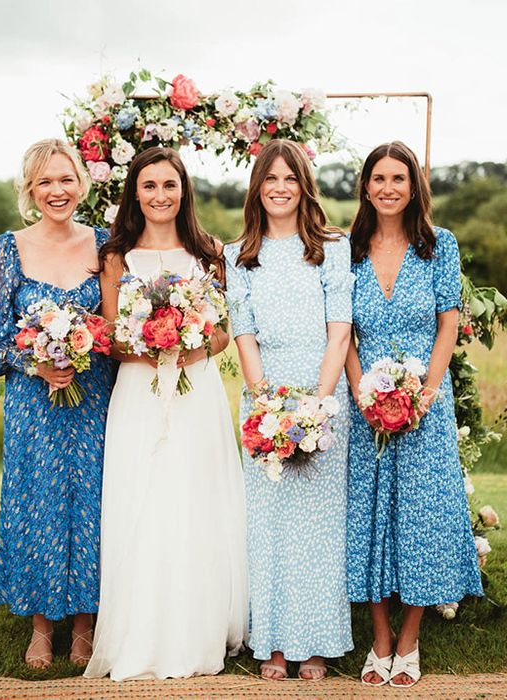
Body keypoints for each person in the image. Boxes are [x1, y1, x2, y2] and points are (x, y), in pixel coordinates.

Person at [84, 147, 248, 681]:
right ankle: (141, 630)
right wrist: (155, 345)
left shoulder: (210, 253)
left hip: (194, 392)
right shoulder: (116, 257)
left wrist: (192, 341)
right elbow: (108, 338)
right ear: (135, 192)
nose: (160, 196)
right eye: (149, 185)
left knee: (194, 502)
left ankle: (197, 629)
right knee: (143, 500)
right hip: (137, 392)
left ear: (184, 192)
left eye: (170, 186)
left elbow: (224, 330)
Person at [345, 141, 482, 688]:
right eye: (378, 178)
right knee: (369, 514)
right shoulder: (347, 247)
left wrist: (426, 391)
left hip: (426, 402)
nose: (387, 188)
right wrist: (361, 392)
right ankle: (379, 637)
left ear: (413, 185)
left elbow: (448, 323)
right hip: (365, 405)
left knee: (422, 517)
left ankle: (410, 637)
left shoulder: (437, 245)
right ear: (365, 186)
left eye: (398, 178)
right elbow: (344, 330)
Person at [0, 138, 113, 669]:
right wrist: (38, 362)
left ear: (82, 182)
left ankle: (84, 624)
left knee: (92, 502)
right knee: (38, 504)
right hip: (34, 404)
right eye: (45, 182)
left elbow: (117, 324)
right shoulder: (7, 248)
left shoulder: (104, 244)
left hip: (93, 399)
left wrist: (84, 346)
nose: (57, 191)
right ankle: (40, 625)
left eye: (66, 179)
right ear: (29, 190)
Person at [224, 139, 354, 681]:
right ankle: (274, 643)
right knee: (270, 524)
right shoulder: (238, 255)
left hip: (322, 391)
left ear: (304, 186)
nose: (280, 188)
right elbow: (243, 330)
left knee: (319, 527)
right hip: (266, 392)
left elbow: (340, 326)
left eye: (291, 179)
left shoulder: (331, 245)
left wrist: (318, 405)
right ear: (258, 187)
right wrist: (269, 405)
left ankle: (316, 641)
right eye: (271, 179)